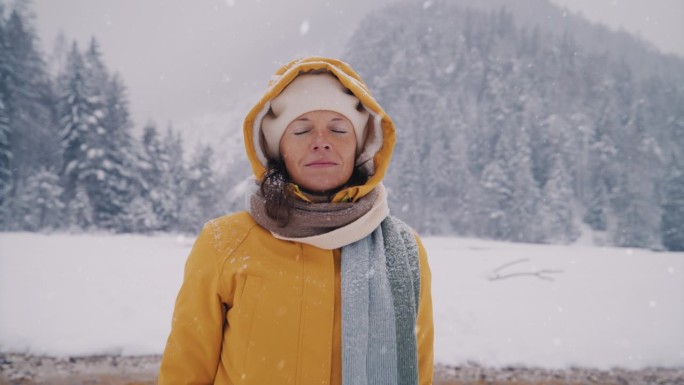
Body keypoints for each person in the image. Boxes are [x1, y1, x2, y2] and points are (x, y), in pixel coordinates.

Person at [158, 57, 433, 385]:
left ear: (359, 146)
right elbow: (185, 371)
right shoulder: (224, 243)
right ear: (278, 149)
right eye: (301, 130)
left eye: (339, 128)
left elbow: (418, 371)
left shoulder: (402, 250)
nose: (321, 140)